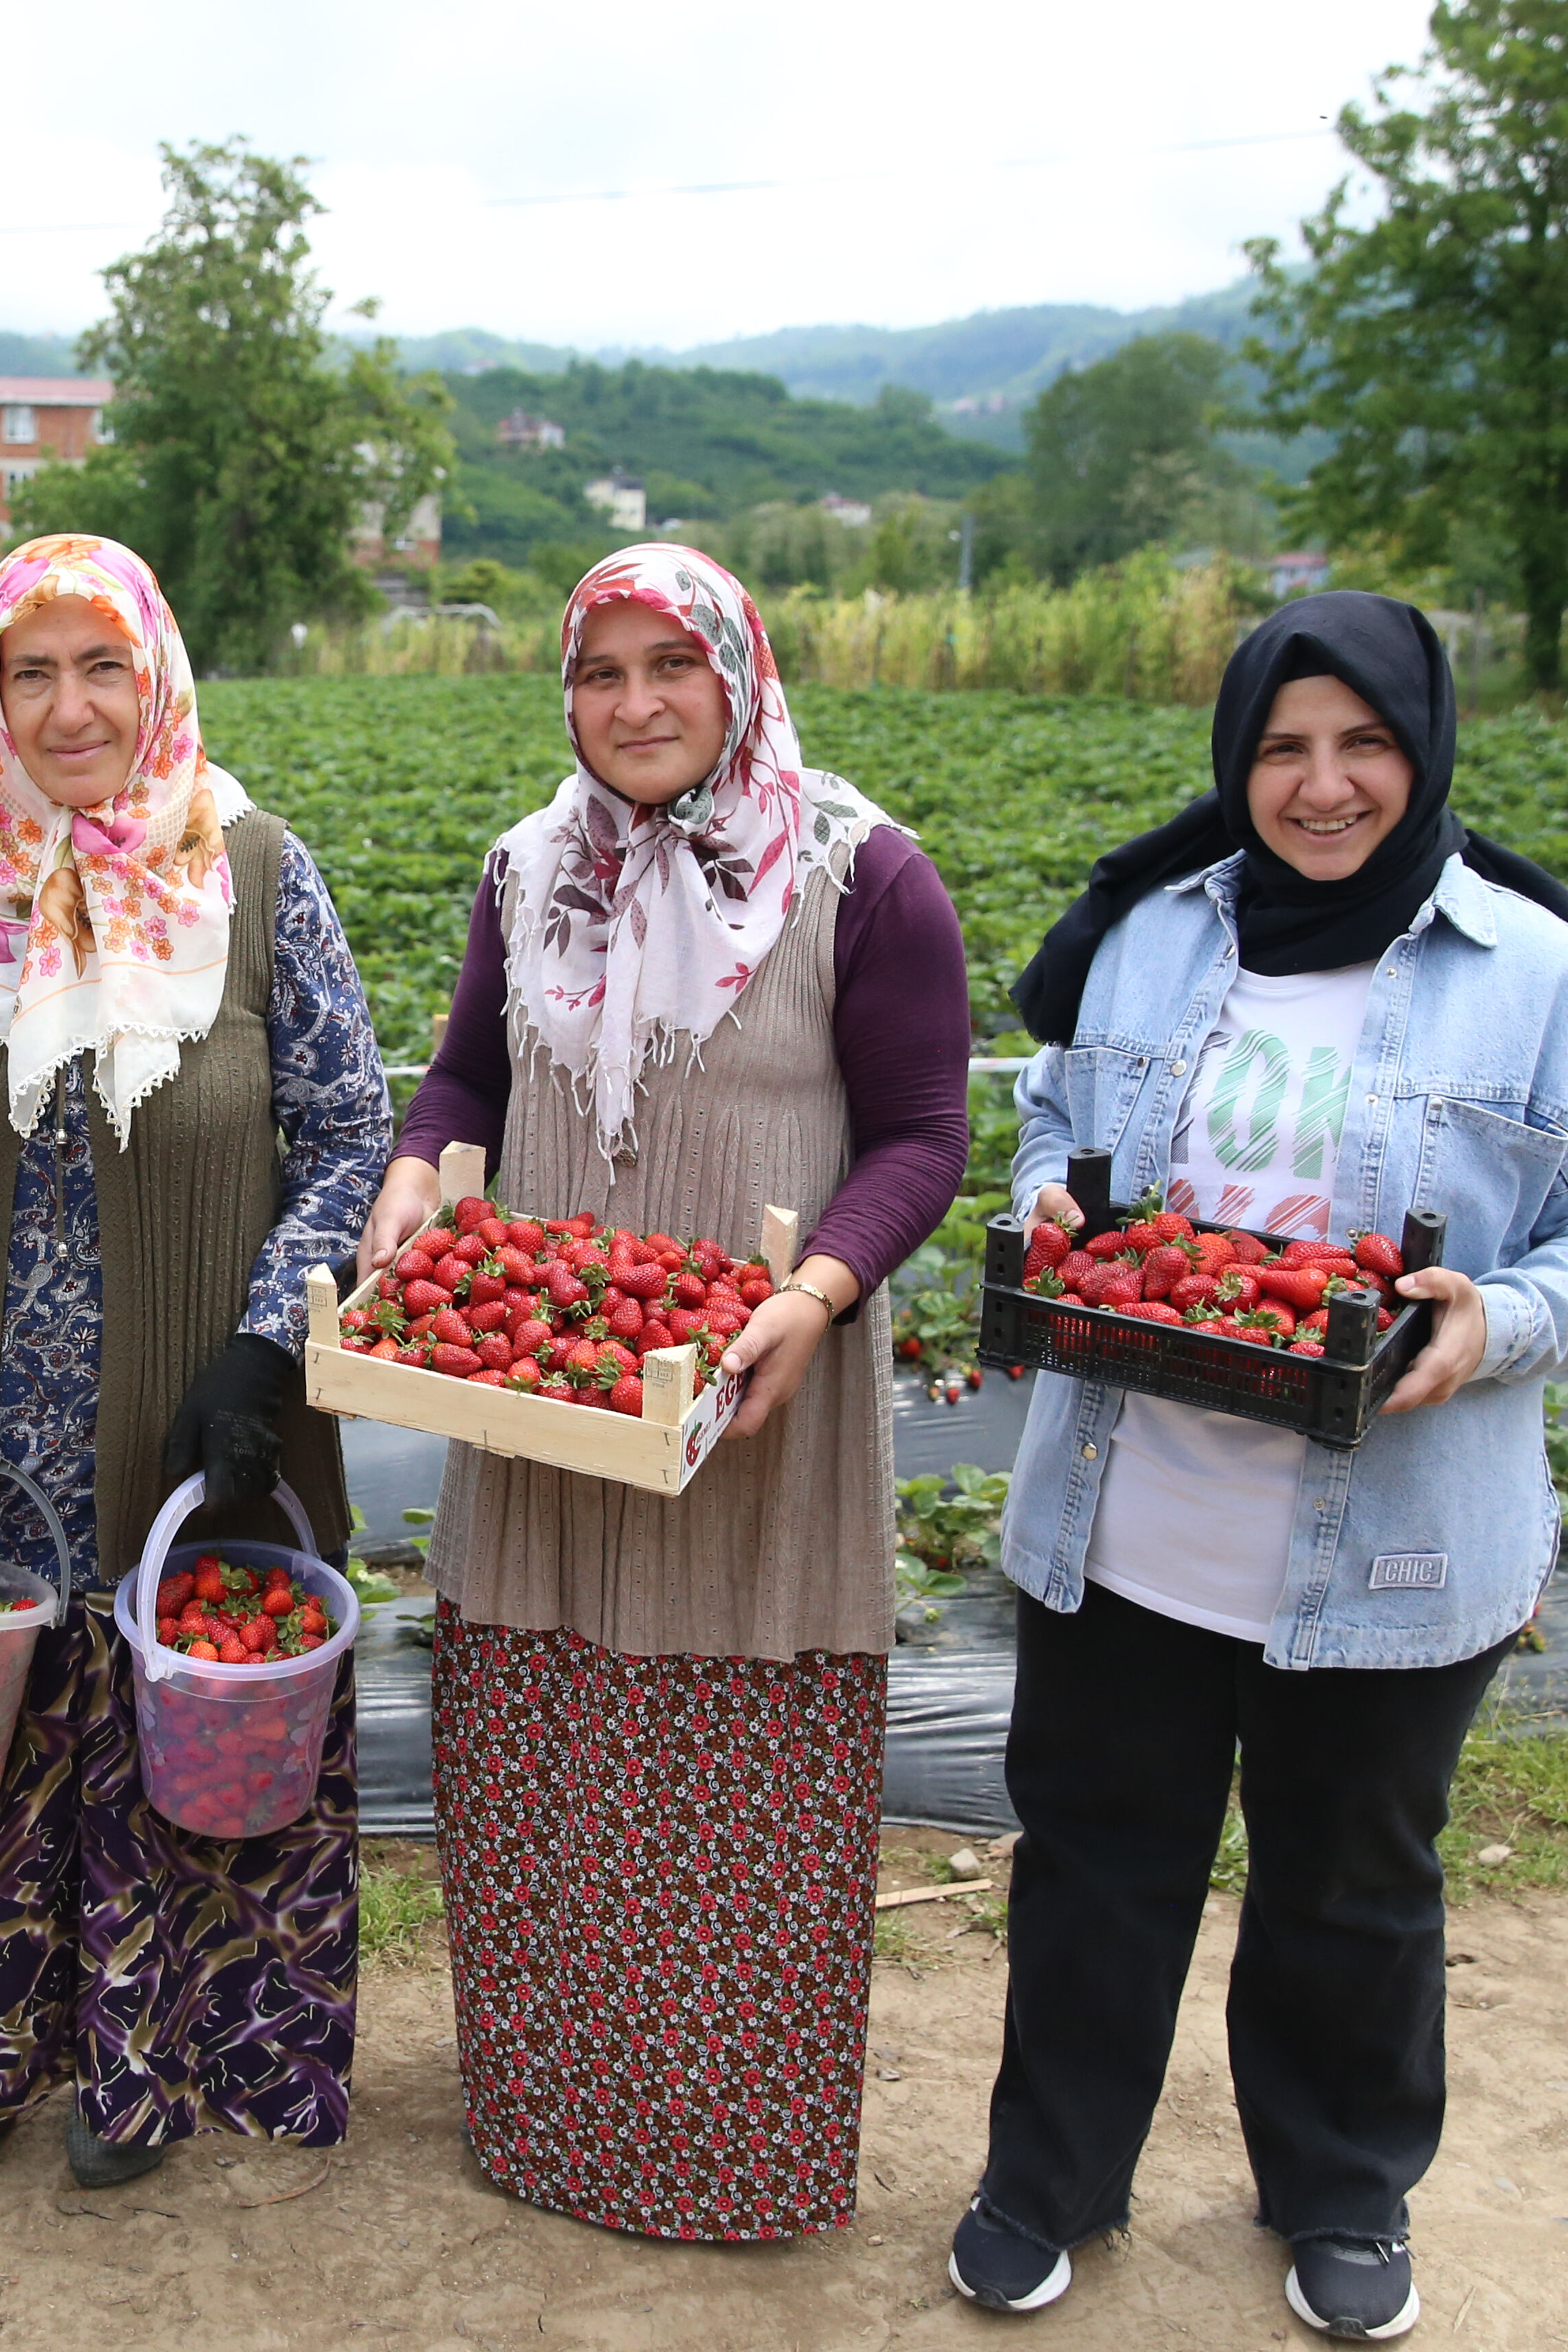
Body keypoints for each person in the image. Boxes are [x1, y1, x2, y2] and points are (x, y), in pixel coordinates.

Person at [947, 591, 1568, 2340]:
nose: (1321, 786)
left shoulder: (1537, 976)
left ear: (1424, 749)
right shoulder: (1155, 935)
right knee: (1093, 1864)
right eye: (1283, 748)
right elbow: (1058, 1123)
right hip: (1128, 1515)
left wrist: (1500, 1323)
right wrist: (1053, 1209)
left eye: (1362, 743)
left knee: (1354, 1885)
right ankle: (1051, 2176)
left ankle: (1343, 2187)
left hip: (1393, 1539)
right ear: (1237, 764)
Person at [367, 542, 971, 2242]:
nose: (632, 704)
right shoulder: (525, 869)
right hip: (549, 1383)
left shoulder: (860, 875)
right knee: (548, 1745)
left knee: (730, 1773)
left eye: (667, 667)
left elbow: (927, 1134)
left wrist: (816, 1291)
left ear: (737, 674)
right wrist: (421, 1174)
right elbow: (469, 1071)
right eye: (597, 672)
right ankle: (552, 2118)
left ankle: (723, 2150)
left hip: (750, 1392)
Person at [0, 533, 392, 2221]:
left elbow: (351, 1130)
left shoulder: (256, 873)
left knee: (184, 1749)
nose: (70, 709)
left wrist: (266, 1340)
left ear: (159, 677)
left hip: (187, 1418)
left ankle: (143, 2072)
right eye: (31, 672)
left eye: (102, 667)